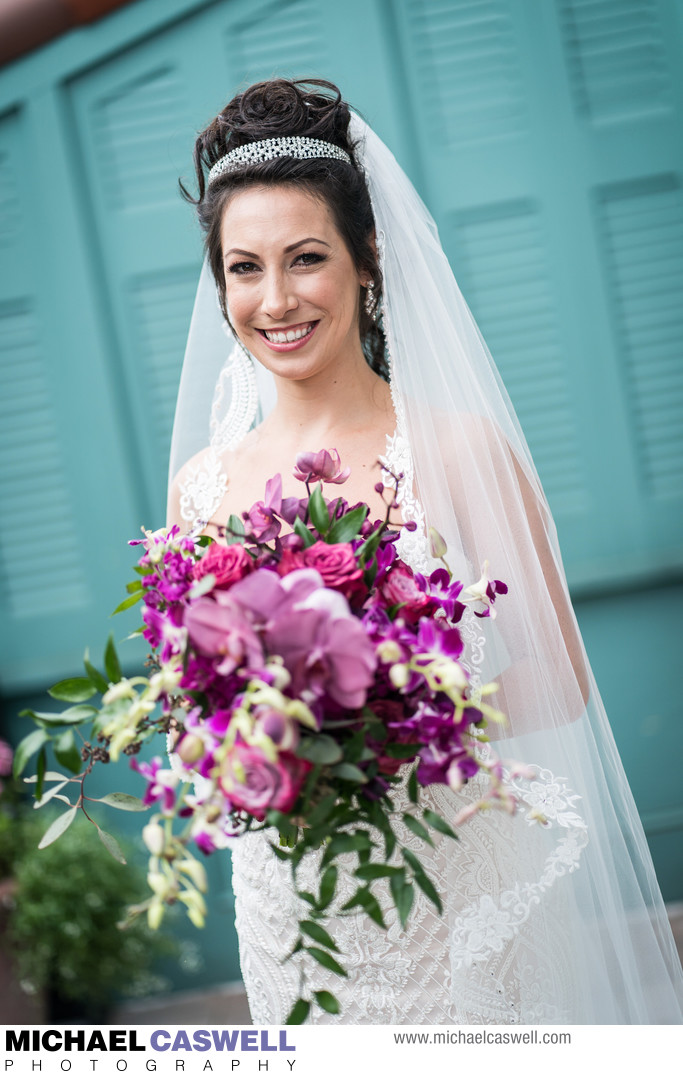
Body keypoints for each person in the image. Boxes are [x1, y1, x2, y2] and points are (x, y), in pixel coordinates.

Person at [166, 78, 683, 1024]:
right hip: (294, 908)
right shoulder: (201, 485)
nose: (273, 300)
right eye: (244, 268)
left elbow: (558, 674)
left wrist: (395, 719)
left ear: (367, 259)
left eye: (305, 258)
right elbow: (191, 702)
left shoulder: (457, 449)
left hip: (454, 889)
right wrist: (218, 731)